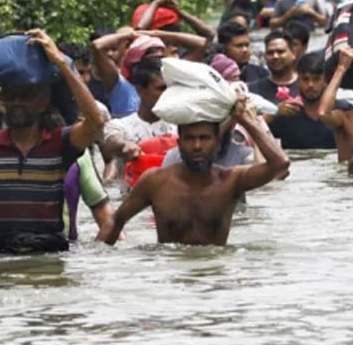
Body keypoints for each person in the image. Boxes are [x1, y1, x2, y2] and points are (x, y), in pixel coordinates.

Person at [0, 29, 105, 254]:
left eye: (27, 95)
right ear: (1, 99)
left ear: (44, 100)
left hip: (50, 258)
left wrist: (61, 63)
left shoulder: (60, 143)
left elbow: (95, 123)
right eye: (11, 95)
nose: (18, 102)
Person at [97, 97, 290, 246]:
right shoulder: (155, 182)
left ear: (217, 142)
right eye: (190, 139)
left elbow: (279, 163)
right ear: (179, 143)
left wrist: (247, 121)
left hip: (215, 276)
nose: (197, 146)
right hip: (171, 277)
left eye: (204, 138)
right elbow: (115, 220)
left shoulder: (231, 181)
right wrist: (98, 264)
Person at [101, 58, 176, 176]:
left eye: (170, 88)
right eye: (161, 88)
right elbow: (110, 141)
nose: (168, 94)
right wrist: (124, 144)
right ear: (140, 90)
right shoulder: (121, 126)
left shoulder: (180, 126)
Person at [266, 51, 353, 150]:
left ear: (325, 81)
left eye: (316, 79)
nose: (310, 85)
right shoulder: (286, 112)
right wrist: (274, 113)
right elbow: (252, 131)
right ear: (298, 80)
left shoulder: (343, 110)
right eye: (305, 79)